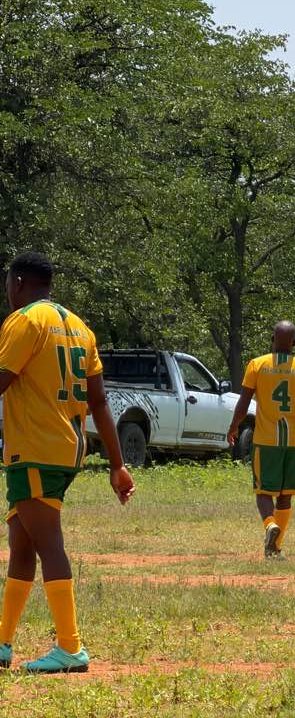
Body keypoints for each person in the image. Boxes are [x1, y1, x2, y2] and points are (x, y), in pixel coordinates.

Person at [0, 252, 135, 673]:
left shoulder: (25, 321)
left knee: (47, 543)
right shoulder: (80, 328)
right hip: (65, 449)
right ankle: (2, 643)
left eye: (7, 283)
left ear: (18, 282)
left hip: (35, 449)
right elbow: (99, 401)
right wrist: (117, 464)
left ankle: (70, 647)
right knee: (22, 543)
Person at [227, 321, 295, 559]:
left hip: (265, 441)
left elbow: (244, 402)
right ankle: (275, 548)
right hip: (292, 442)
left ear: (272, 339)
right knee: (285, 494)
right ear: (294, 343)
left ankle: (270, 525)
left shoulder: (257, 364)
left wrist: (234, 426)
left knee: (263, 491)